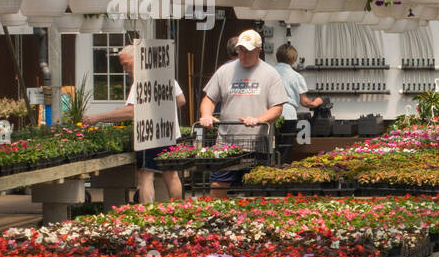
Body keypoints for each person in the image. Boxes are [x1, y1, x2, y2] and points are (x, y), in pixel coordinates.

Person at [82, 44, 187, 203]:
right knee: (171, 173)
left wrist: (97, 117)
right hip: (170, 131)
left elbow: (131, 111)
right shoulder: (165, 76)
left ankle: (147, 215)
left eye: (126, 64)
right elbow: (181, 100)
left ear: (138, 59)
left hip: (150, 134)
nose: (125, 69)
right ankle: (179, 210)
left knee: (146, 175)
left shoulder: (141, 82)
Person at [199, 29, 287, 194]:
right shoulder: (225, 71)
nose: (243, 55)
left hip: (258, 145)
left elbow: (277, 108)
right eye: (240, 50)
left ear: (259, 50)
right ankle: (218, 218)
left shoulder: (270, 73)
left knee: (256, 189)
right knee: (217, 186)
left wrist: (259, 119)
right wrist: (206, 115)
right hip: (226, 143)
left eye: (248, 51)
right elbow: (209, 98)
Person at [273, 43, 324, 121]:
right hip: (288, 115)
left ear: (277, 57)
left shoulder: (269, 72)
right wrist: (316, 102)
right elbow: (304, 102)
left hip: (270, 114)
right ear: (294, 59)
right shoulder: (297, 77)